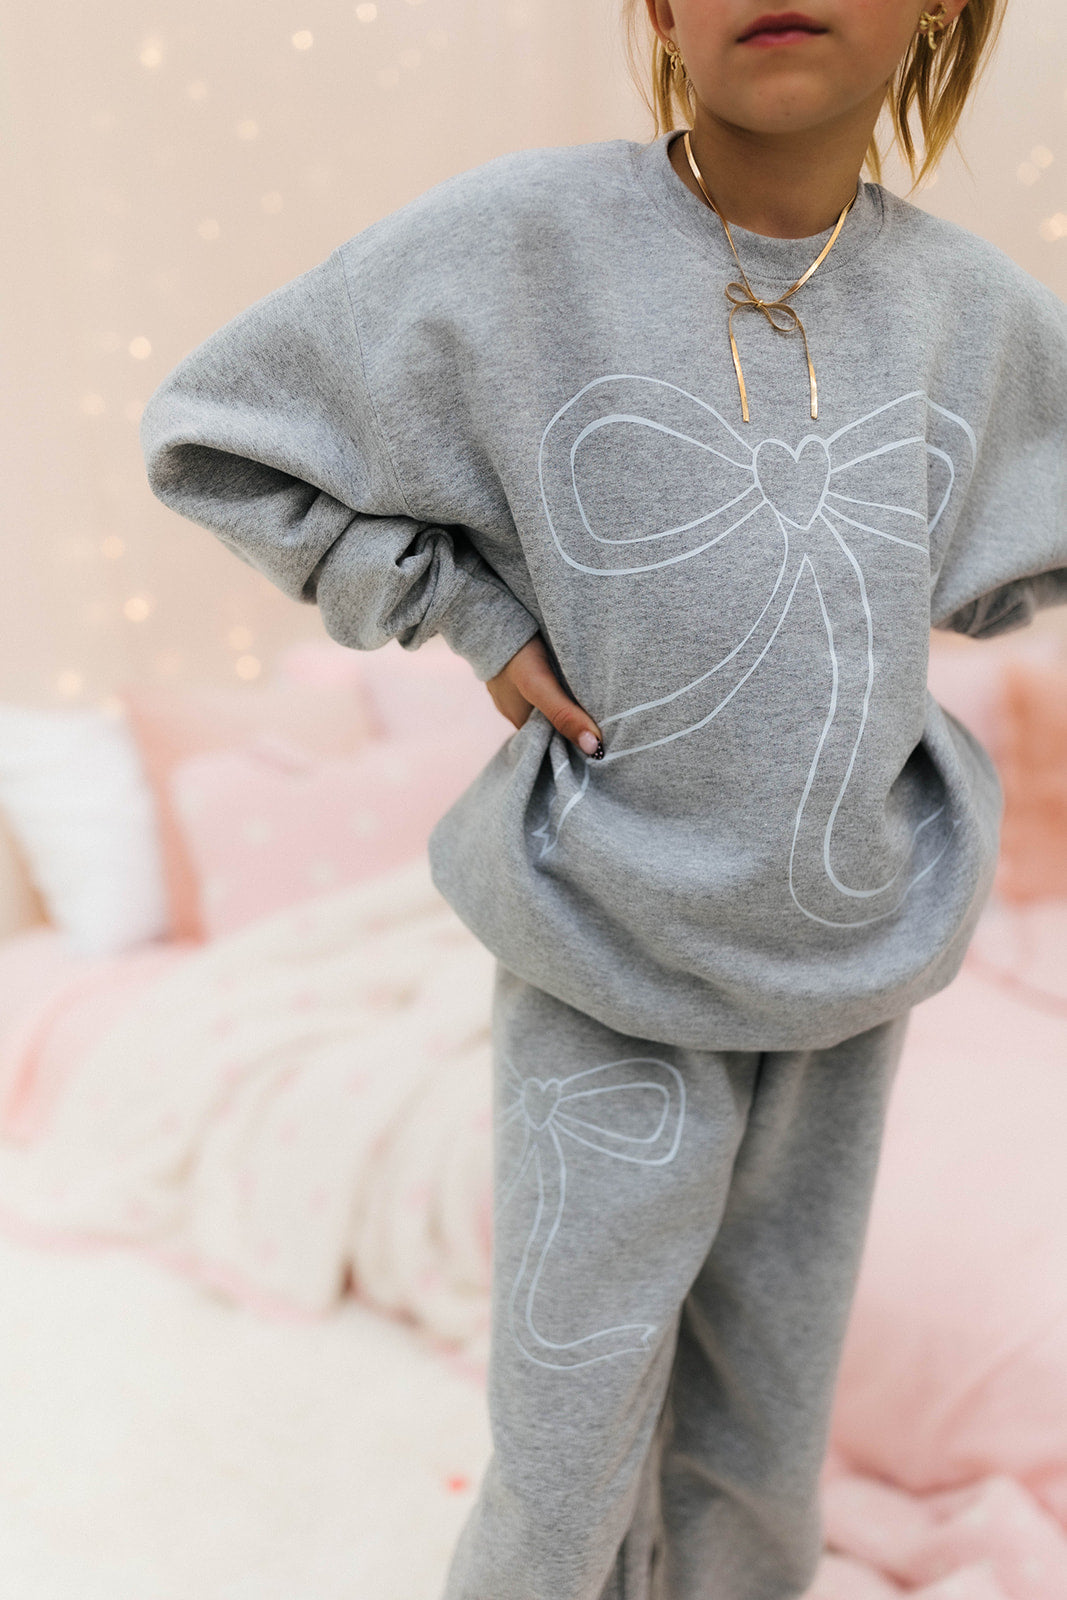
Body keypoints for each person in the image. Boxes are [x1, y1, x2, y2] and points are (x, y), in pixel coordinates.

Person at [139, 0, 1067, 1593]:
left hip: (851, 952)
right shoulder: (520, 244)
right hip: (607, 939)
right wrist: (474, 616)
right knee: (567, 1445)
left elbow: (991, 569)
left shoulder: (972, 318)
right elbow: (219, 439)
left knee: (763, 1434)